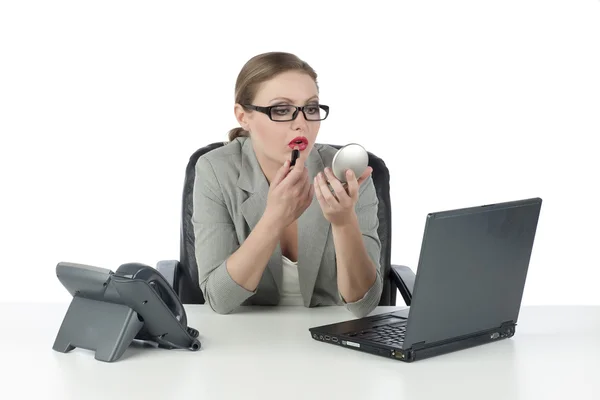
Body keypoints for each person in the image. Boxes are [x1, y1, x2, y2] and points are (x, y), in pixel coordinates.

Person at [192, 51, 383, 317]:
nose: (301, 124)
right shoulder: (215, 169)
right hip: (246, 342)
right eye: (281, 110)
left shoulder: (346, 172)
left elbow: (363, 305)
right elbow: (219, 300)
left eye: (311, 108)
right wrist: (274, 218)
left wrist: (343, 222)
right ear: (243, 116)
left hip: (331, 341)